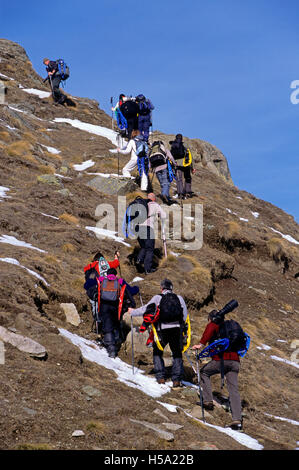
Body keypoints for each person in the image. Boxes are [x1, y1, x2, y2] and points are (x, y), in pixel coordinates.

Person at [128, 278, 188, 388]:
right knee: (177, 353)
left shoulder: (158, 298)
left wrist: (132, 312)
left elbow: (146, 309)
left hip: (162, 330)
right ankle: (177, 380)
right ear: (171, 288)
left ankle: (160, 377)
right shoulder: (179, 298)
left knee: (157, 351)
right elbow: (184, 315)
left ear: (161, 288)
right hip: (176, 329)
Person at [192, 310, 243, 431]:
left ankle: (208, 401)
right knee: (233, 389)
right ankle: (237, 420)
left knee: (204, 372)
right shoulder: (230, 327)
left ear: (211, 318)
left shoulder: (214, 324)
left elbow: (209, 331)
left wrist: (201, 344)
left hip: (222, 359)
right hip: (235, 361)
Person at [98, 268, 136, 358]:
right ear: (115, 274)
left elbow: (91, 289)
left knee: (108, 327)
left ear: (107, 273)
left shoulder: (102, 279)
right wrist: (136, 291)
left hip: (104, 306)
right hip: (116, 307)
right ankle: (116, 341)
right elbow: (130, 291)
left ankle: (112, 350)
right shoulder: (120, 281)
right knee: (115, 324)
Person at [136, 193, 166, 274]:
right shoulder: (154, 205)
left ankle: (139, 259)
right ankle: (147, 269)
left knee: (144, 246)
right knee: (150, 249)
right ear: (154, 199)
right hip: (148, 228)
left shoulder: (141, 204)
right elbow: (163, 215)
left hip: (138, 228)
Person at [149, 141, 177, 206]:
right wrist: (175, 164)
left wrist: (150, 169)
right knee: (166, 183)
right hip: (164, 167)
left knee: (162, 183)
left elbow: (149, 162)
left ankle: (166, 197)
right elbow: (171, 157)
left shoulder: (152, 151)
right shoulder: (164, 149)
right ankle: (164, 195)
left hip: (156, 169)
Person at [169, 134, 195, 199]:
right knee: (187, 177)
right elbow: (190, 156)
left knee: (179, 179)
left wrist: (172, 165)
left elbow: (171, 156)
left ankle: (180, 193)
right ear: (182, 138)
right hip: (185, 164)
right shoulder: (185, 145)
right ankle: (187, 192)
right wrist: (192, 167)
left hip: (177, 164)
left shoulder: (173, 145)